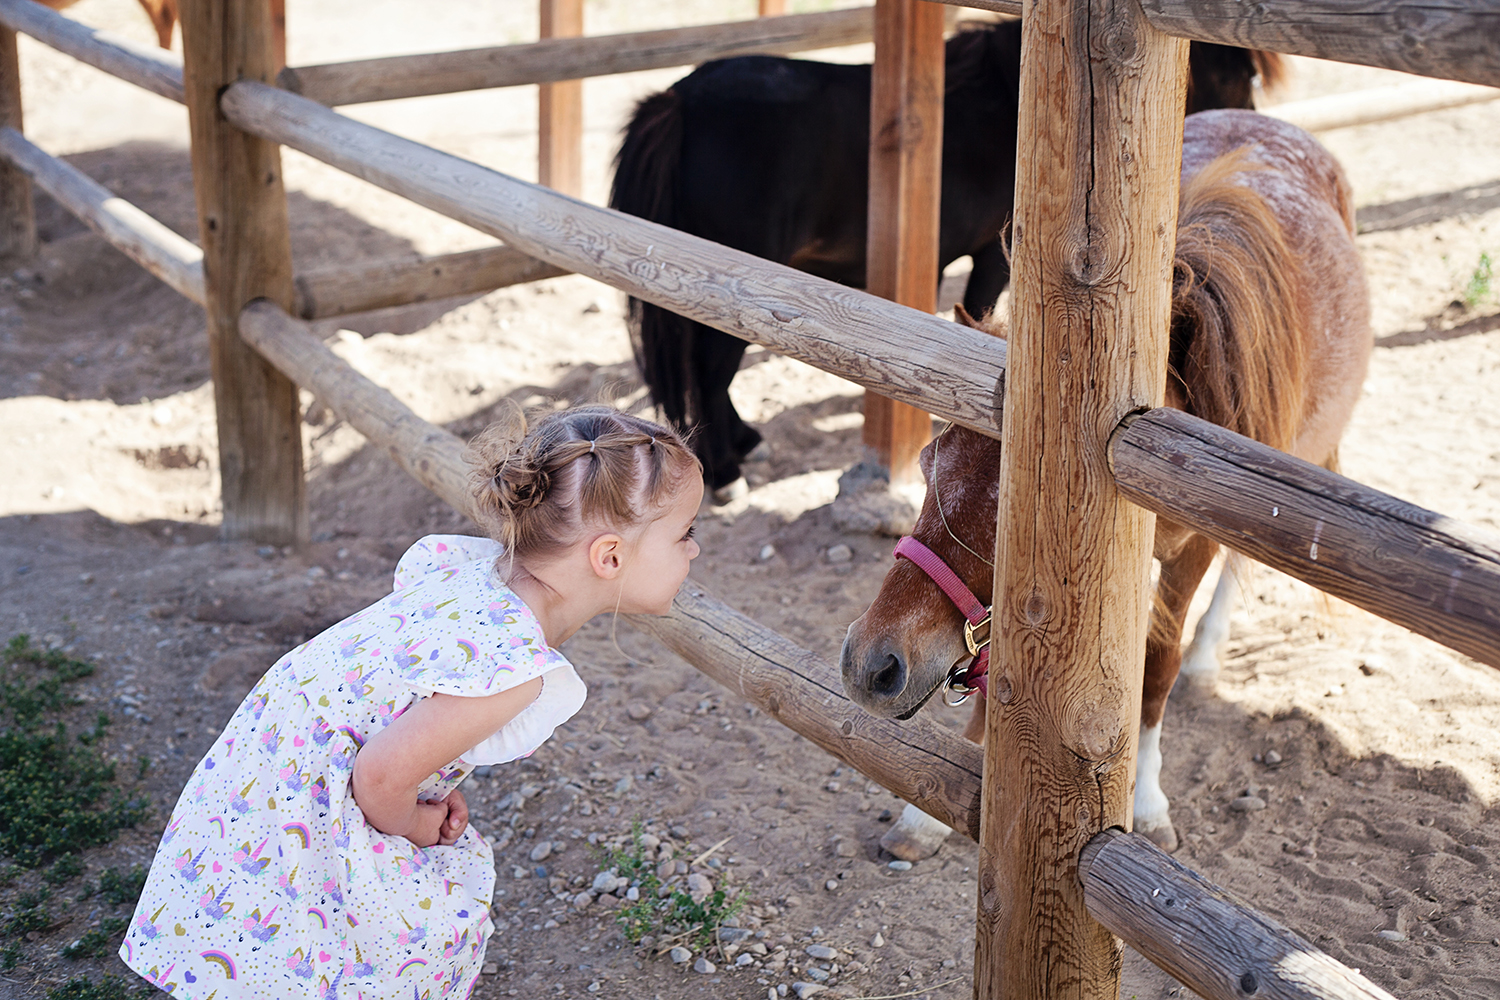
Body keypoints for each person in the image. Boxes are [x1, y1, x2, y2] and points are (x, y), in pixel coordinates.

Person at [120, 404, 703, 1000]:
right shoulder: (512, 668)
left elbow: (398, 715)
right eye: (685, 533)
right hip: (311, 800)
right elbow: (377, 776)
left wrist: (422, 777)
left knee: (266, 931)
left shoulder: (478, 576)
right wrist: (418, 822)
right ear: (609, 557)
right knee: (385, 942)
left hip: (269, 764)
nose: (694, 550)